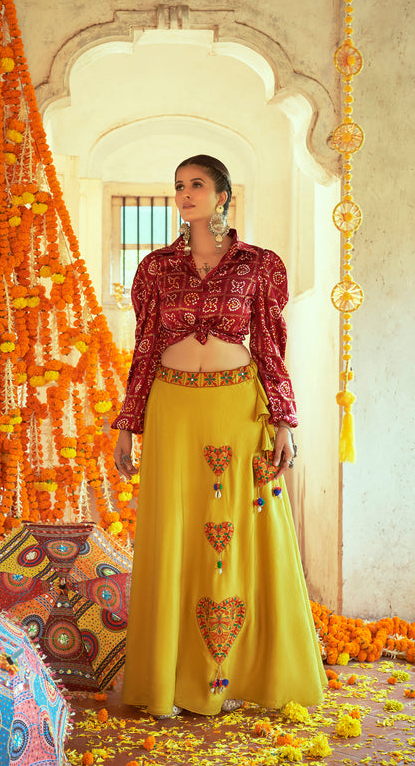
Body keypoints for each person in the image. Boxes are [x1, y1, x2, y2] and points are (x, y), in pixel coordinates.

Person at [112, 154, 326, 718]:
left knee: (247, 534)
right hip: (173, 409)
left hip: (240, 409)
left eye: (197, 184)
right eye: (179, 185)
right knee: (175, 533)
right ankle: (171, 679)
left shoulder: (259, 265)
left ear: (222, 194)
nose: (186, 193)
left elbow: (272, 346)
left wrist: (284, 420)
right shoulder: (156, 268)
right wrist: (128, 426)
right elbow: (145, 349)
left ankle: (250, 676)